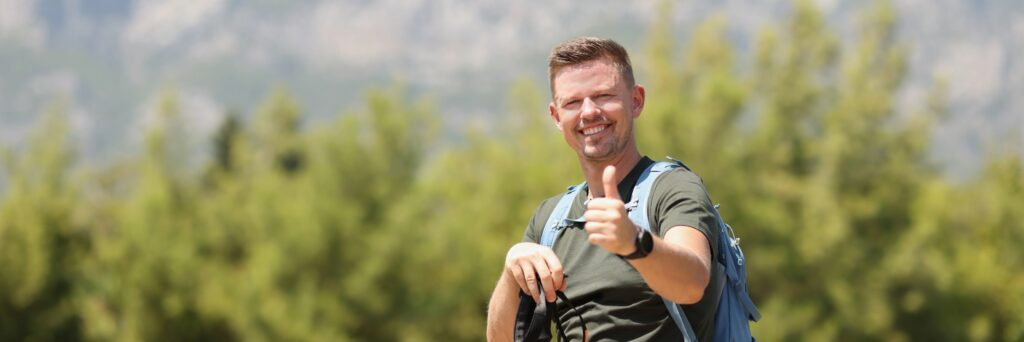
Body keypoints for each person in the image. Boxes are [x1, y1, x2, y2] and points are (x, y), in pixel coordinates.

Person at [486, 37, 723, 341]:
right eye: (572, 102)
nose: (588, 112)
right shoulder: (549, 221)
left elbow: (692, 283)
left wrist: (634, 242)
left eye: (603, 95)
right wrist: (510, 274)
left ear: (636, 100)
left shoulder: (673, 188)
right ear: (556, 116)